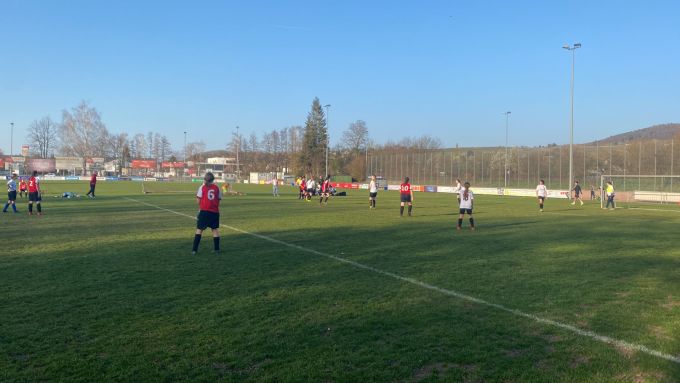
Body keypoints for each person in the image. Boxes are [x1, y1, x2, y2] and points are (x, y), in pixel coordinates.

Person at [192, 172, 222, 255]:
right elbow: (219, 199)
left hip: (204, 211)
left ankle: (194, 250)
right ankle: (217, 250)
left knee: (199, 230)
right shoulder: (217, 188)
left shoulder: (202, 187)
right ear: (213, 180)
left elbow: (198, 200)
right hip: (214, 212)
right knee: (215, 230)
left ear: (205, 179)